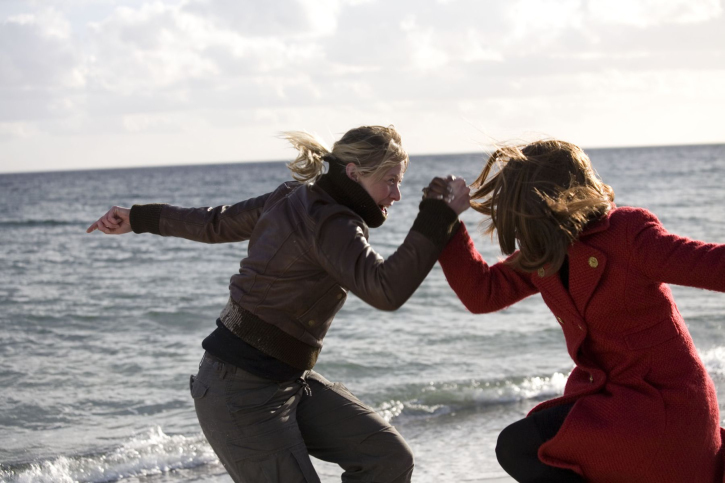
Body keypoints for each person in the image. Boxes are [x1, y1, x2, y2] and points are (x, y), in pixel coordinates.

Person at [87, 125, 470, 483]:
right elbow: (384, 289)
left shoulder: (295, 196)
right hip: (239, 392)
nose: (396, 195)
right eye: (390, 182)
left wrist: (137, 217)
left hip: (286, 381)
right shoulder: (329, 220)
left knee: (386, 457)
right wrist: (439, 216)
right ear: (353, 173)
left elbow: (214, 223)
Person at [426, 139, 725, 482]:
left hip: (664, 407)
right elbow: (483, 293)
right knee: (518, 447)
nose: (517, 225)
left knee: (520, 445)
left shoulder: (626, 234)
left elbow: (714, 265)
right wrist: (444, 219)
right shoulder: (544, 254)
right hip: (614, 405)